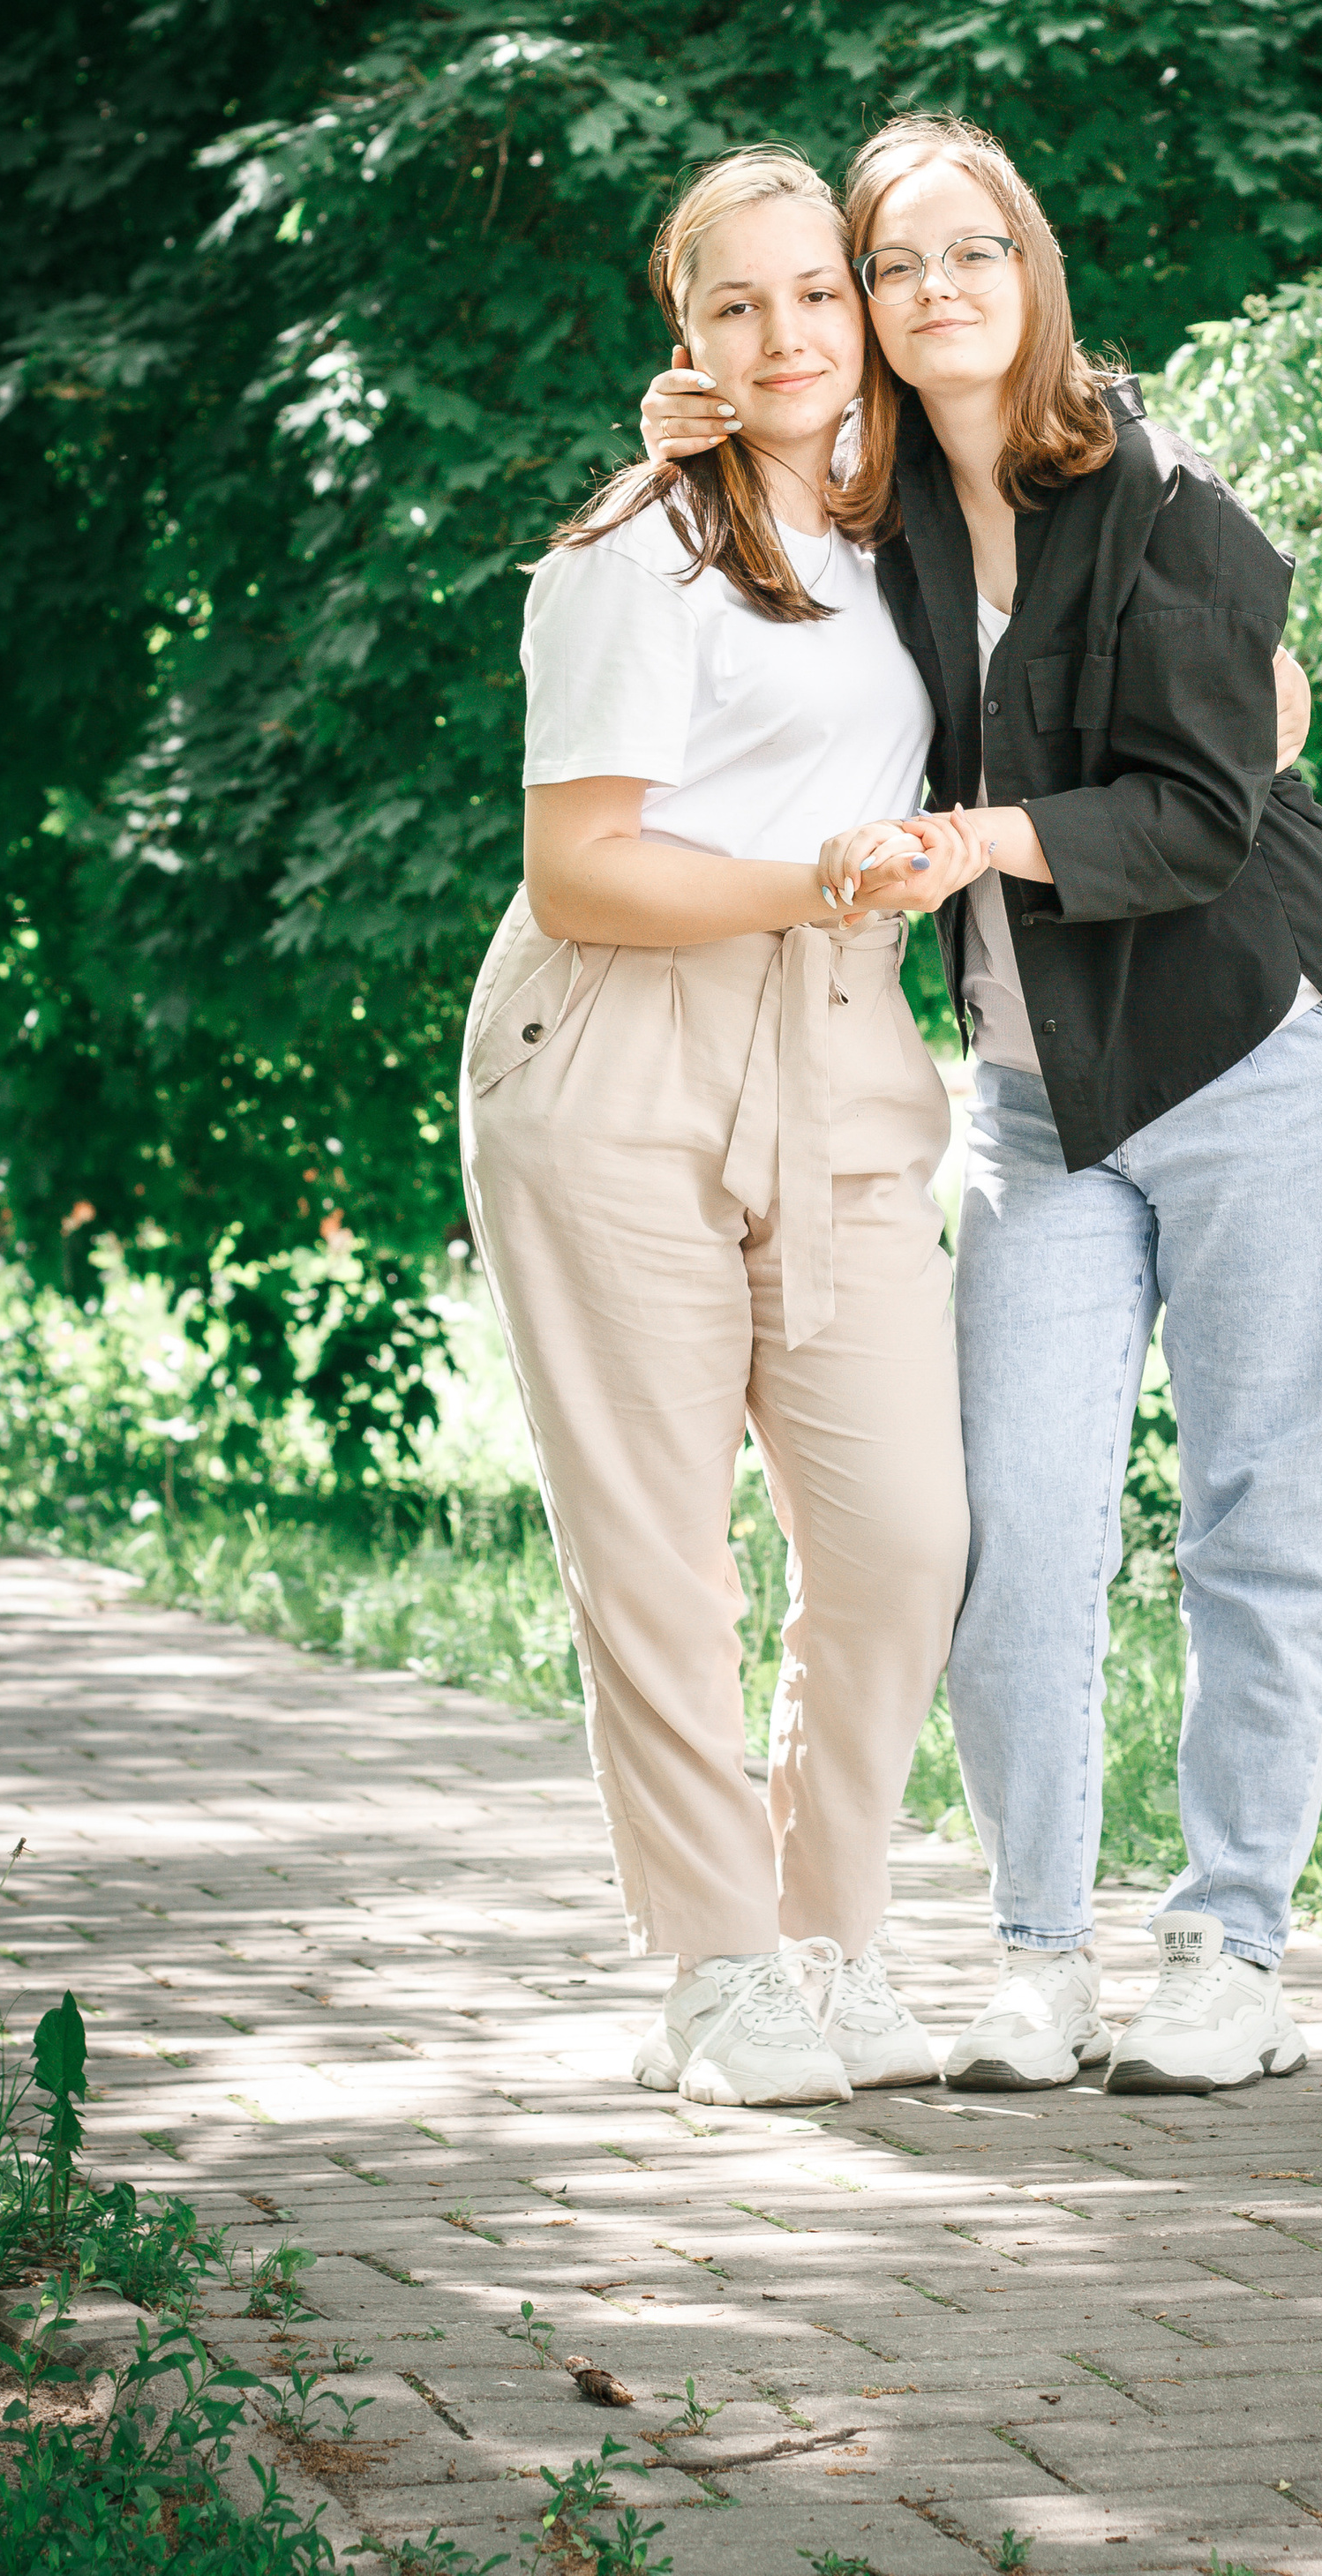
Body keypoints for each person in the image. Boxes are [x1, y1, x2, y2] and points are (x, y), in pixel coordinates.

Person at [643, 114, 1322, 2096]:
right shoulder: (869, 503)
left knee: (1261, 1514)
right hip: (1031, 1092)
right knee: (1013, 1527)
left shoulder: (1161, 494)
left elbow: (1195, 803)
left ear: (1029, 262)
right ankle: (1037, 1957)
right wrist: (687, 415)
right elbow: (740, 477)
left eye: (964, 250)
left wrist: (976, 832)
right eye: (890, 265)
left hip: (1264, 1050)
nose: (925, 292)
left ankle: (1232, 1956)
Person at [459, 145, 992, 2113]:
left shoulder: (905, 517)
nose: (782, 336)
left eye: (812, 295)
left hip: (839, 1050)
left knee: (901, 1538)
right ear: (680, 339)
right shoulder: (631, 554)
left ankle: (830, 1938)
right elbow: (584, 869)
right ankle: (715, 1972)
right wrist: (818, 882)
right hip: (616, 1056)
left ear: (863, 313)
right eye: (732, 305)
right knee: (661, 1552)